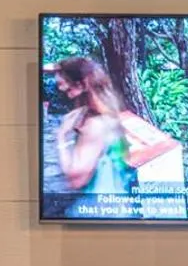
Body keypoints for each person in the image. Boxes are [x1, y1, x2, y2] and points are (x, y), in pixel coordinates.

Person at [52, 57, 136, 198]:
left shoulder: (95, 125)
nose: (64, 93)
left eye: (68, 89)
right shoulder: (106, 110)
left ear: (81, 84)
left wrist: (61, 137)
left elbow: (76, 180)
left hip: (97, 204)